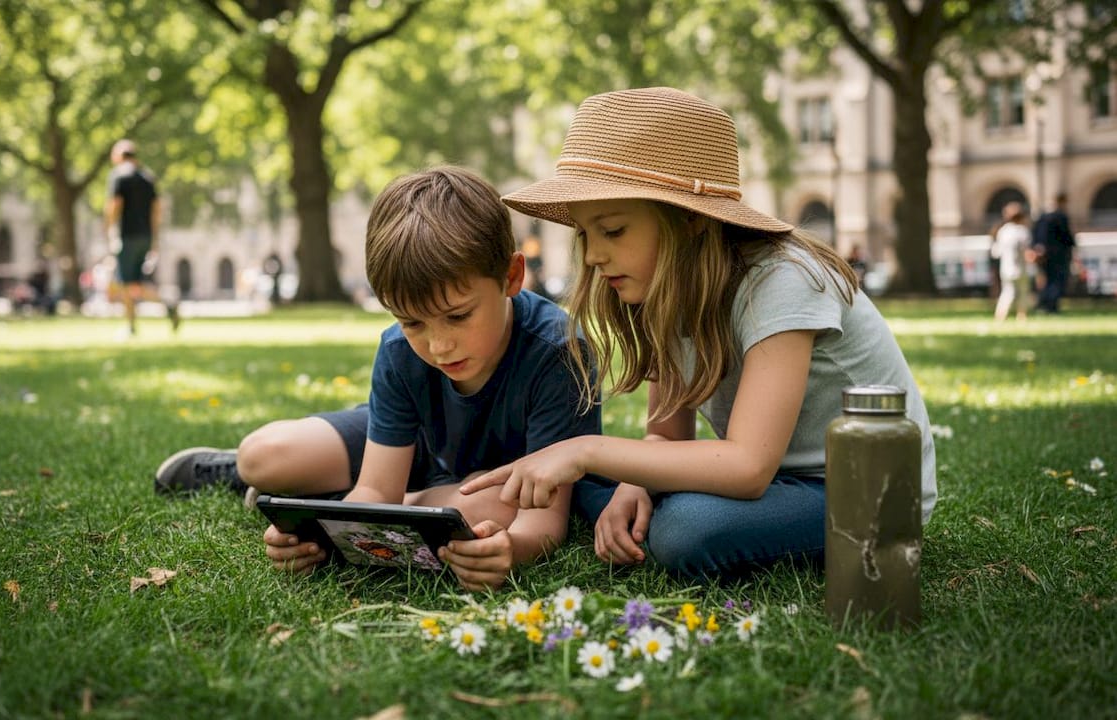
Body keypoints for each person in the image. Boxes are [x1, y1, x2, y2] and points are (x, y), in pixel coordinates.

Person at [461, 87, 937, 581]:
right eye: (585, 235)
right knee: (584, 479)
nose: (595, 255)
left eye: (614, 231)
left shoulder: (782, 279)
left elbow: (749, 467)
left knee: (684, 529)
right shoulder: (661, 288)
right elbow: (665, 434)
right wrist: (636, 484)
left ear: (688, 219)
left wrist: (588, 454)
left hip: (862, 495)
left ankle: (658, 510)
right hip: (772, 484)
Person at [153, 166, 610, 591]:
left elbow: (544, 523)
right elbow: (376, 487)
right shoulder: (398, 350)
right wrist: (320, 533)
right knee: (262, 456)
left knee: (489, 509)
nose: (438, 345)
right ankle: (256, 478)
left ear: (510, 276)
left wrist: (511, 549)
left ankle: (329, 499)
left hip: (494, 486)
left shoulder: (556, 350)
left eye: (457, 316)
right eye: (412, 322)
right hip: (412, 452)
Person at [104, 139, 179, 336]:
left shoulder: (118, 176)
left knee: (126, 283)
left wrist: (109, 230)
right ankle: (160, 309)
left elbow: (115, 205)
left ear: (119, 157)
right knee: (135, 283)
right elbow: (157, 210)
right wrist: (154, 238)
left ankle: (134, 323)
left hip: (126, 236)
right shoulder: (148, 178)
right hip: (145, 236)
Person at [1031, 192, 1076, 314]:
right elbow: (1066, 236)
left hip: (1044, 254)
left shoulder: (1042, 217)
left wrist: (1036, 249)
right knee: (1057, 280)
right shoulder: (1060, 216)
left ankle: (1044, 304)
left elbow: (1035, 235)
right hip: (1059, 254)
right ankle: (1051, 305)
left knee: (1046, 279)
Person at [990, 201, 1032, 323]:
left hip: (1006, 268)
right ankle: (1021, 316)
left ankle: (1000, 317)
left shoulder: (1003, 231)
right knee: (1023, 293)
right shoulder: (1023, 231)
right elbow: (1026, 251)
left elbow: (996, 252)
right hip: (1021, 267)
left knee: (1007, 293)